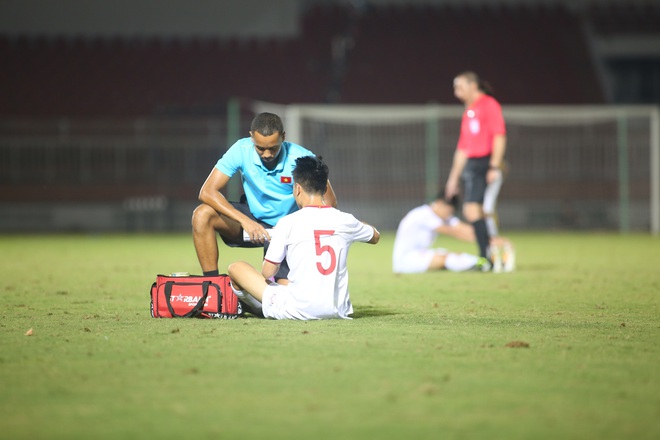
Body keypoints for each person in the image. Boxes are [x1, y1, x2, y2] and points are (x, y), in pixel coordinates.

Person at [227, 156, 380, 320]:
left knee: (236, 268)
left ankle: (255, 307)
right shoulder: (346, 220)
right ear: (324, 188)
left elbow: (267, 272)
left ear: (297, 188)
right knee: (285, 284)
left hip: (296, 309)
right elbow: (375, 235)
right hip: (337, 311)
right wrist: (355, 225)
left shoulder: (287, 223)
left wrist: (274, 243)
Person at [192, 112, 337, 281]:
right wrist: (245, 221)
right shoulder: (241, 149)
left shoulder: (301, 157)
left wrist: (295, 226)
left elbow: (330, 203)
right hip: (252, 220)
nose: (267, 154)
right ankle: (211, 286)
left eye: (273, 148)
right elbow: (207, 191)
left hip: (288, 228)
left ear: (283, 137)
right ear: (251, 137)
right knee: (202, 214)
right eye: (260, 148)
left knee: (279, 291)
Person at [445, 71, 507, 264]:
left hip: (484, 163)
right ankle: (488, 256)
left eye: (460, 87)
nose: (457, 93)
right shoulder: (469, 111)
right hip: (473, 166)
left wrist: (494, 166)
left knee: (477, 210)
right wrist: (453, 178)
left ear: (473, 86)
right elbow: (463, 148)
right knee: (475, 211)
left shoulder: (489, 105)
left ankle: (490, 255)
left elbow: (499, 135)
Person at [392, 190, 515, 274]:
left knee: (453, 255)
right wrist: (488, 241)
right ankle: (483, 263)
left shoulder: (442, 215)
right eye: (448, 211)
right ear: (439, 204)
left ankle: (485, 262)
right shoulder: (423, 215)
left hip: (420, 253)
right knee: (445, 259)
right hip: (406, 260)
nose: (449, 215)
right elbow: (455, 232)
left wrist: (493, 239)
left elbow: (462, 228)